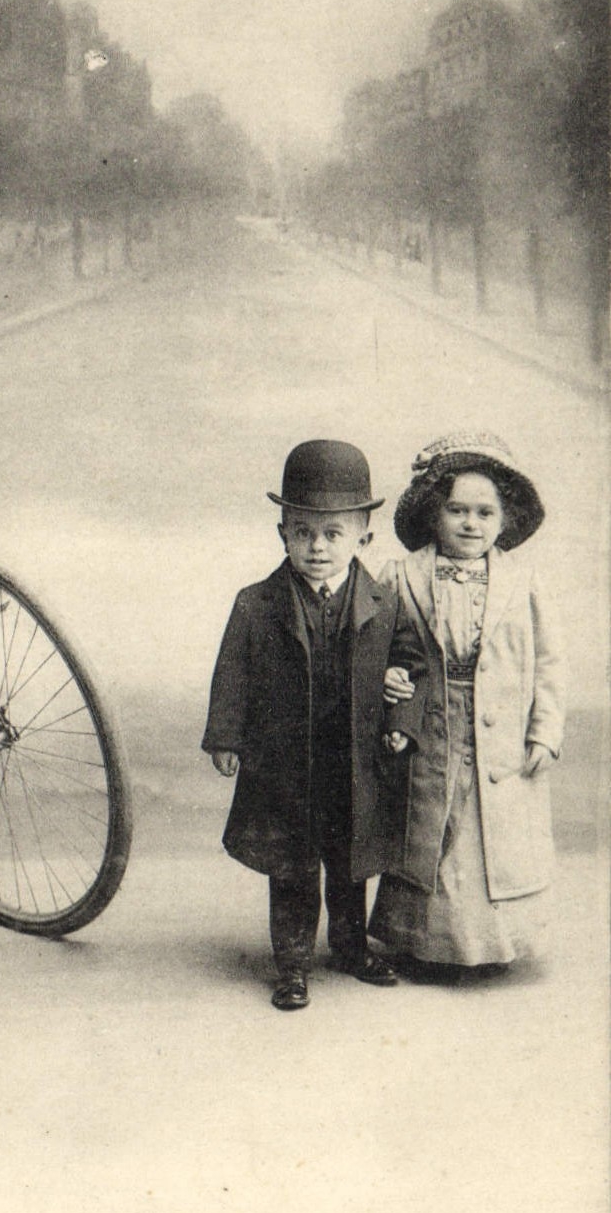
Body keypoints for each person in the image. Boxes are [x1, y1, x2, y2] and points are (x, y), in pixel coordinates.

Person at [201, 440, 412, 1011]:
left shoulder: (386, 603)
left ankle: (349, 947)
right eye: (302, 532)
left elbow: (411, 666)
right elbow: (232, 673)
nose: (317, 547)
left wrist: (401, 719)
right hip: (287, 764)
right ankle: (292, 965)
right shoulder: (255, 604)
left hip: (354, 762)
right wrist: (225, 737)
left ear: (364, 538)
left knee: (350, 864)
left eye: (333, 533)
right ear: (282, 534)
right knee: (292, 868)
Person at [370, 432, 565, 977]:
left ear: (504, 520)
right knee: (434, 827)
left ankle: (494, 945)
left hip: (500, 733)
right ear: (435, 515)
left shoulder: (523, 583)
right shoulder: (401, 575)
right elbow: (378, 647)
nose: (470, 524)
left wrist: (545, 730)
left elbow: (550, 662)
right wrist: (389, 677)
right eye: (457, 510)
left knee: (490, 836)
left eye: (485, 512)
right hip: (431, 726)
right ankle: (426, 945)